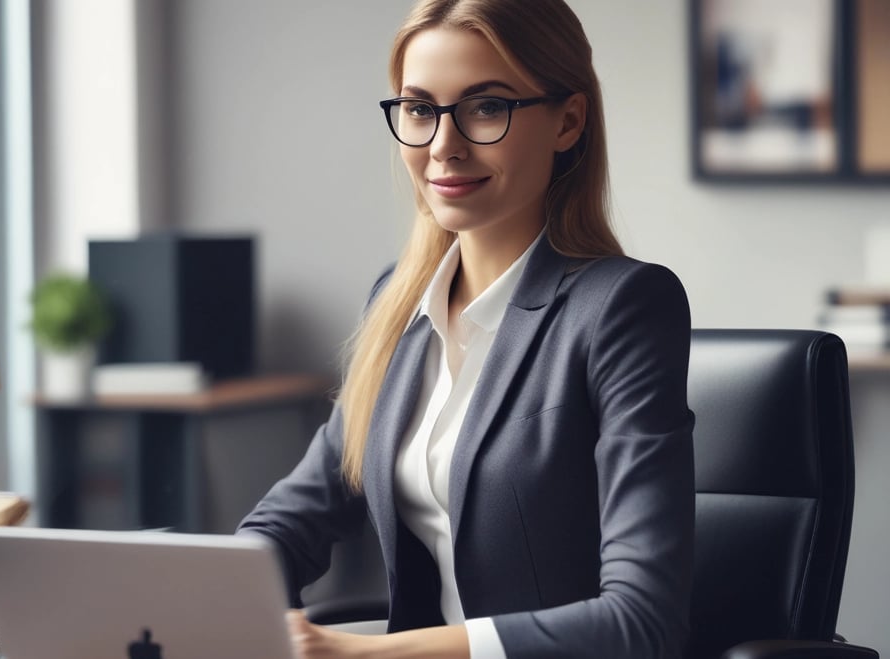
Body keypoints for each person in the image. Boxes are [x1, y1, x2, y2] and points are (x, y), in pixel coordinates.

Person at [237, 0, 695, 657]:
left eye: (486, 107)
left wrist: (366, 653)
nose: (443, 146)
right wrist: (220, 597)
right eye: (420, 110)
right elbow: (290, 518)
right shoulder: (397, 303)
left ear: (568, 121)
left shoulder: (622, 307)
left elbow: (640, 622)